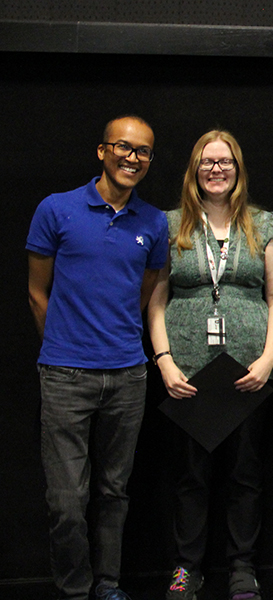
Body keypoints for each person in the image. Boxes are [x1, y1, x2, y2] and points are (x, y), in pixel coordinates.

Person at [26, 116, 168, 600]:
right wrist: (64, 345)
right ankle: (74, 588)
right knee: (67, 501)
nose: (134, 158)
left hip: (128, 375)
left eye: (144, 152)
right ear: (103, 151)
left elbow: (145, 294)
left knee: (114, 493)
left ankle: (107, 584)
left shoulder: (153, 222)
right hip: (65, 374)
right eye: (125, 148)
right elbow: (36, 292)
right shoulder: (56, 209)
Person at [147, 130, 273, 600]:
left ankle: (242, 567)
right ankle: (186, 568)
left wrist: (268, 359)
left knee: (245, 473)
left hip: (247, 371)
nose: (216, 169)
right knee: (191, 475)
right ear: (194, 170)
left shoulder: (264, 224)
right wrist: (164, 361)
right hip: (188, 373)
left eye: (225, 161)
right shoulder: (171, 226)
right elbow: (156, 300)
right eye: (207, 162)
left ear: (238, 169)